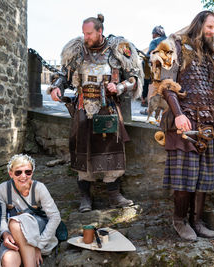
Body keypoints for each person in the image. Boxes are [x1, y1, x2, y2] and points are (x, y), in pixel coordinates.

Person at [48, 14, 143, 212]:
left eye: (89, 33)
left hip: (108, 109)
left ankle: (114, 195)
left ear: (100, 31)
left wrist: (120, 87)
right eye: (84, 33)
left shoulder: (117, 50)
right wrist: (57, 87)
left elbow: (133, 78)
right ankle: (85, 198)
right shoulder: (76, 51)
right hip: (83, 110)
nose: (86, 37)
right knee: (83, 152)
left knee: (112, 152)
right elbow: (62, 75)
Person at [153, 11, 214, 241]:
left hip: (207, 122)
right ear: (198, 23)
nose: (212, 31)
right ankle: (180, 221)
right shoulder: (174, 46)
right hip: (184, 121)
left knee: (203, 177)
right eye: (209, 26)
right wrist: (177, 115)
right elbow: (165, 85)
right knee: (184, 177)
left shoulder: (211, 56)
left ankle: (197, 221)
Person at [0, 154, 61, 267]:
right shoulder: (2, 190)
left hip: (37, 232)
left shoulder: (39, 188)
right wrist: (5, 234)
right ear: (10, 174)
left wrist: (39, 245)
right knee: (9, 259)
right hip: (13, 236)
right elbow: (1, 218)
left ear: (32, 172)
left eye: (28, 172)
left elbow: (55, 217)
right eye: (18, 172)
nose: (23, 176)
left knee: (16, 223)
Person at [140, 25, 167, 114]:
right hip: (170, 71)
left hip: (157, 69)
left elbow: (152, 54)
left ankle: (149, 110)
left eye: (153, 34)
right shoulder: (170, 41)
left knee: (151, 87)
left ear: (156, 34)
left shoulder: (155, 41)